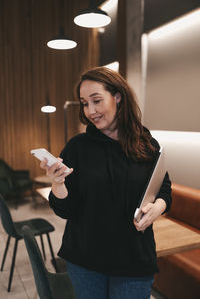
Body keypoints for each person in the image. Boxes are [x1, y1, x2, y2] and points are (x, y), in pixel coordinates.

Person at [40, 67, 172, 299]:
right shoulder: (77, 148)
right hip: (86, 261)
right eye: (84, 103)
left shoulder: (146, 143)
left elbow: (163, 188)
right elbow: (65, 210)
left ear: (118, 97)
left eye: (96, 100)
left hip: (134, 260)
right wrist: (58, 184)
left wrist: (157, 208)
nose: (90, 111)